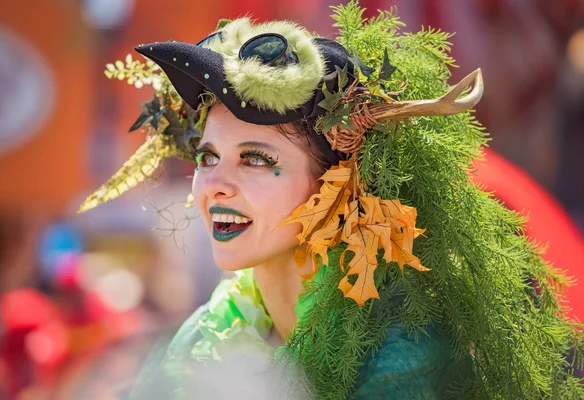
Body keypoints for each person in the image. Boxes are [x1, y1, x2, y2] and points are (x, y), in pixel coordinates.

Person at [80, 2, 584, 399]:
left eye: (255, 159)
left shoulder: (405, 356)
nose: (214, 184)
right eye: (208, 157)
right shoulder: (207, 335)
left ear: (340, 187)